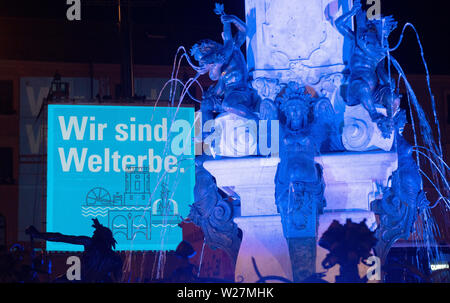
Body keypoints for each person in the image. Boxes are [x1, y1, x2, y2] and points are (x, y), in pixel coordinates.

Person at [335, 0, 400, 138]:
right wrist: (352, 12)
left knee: (392, 96)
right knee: (362, 87)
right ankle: (375, 116)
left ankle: (389, 121)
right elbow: (338, 24)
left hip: (374, 91)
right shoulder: (357, 41)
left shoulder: (378, 50)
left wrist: (388, 84)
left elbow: (381, 69)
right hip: (357, 89)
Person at [191, 13, 258, 122]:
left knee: (227, 104)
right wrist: (218, 64)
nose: (207, 46)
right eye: (204, 49)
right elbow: (215, 77)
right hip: (228, 96)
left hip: (241, 93)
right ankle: (207, 134)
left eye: (206, 45)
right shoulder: (217, 69)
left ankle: (255, 119)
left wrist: (233, 19)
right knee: (206, 104)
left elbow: (244, 31)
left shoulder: (232, 47)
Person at [25, 218, 123, 282]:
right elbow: (118, 279)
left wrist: (38, 235)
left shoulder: (90, 243)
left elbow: (61, 238)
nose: (93, 235)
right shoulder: (116, 259)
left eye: (95, 233)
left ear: (100, 236)